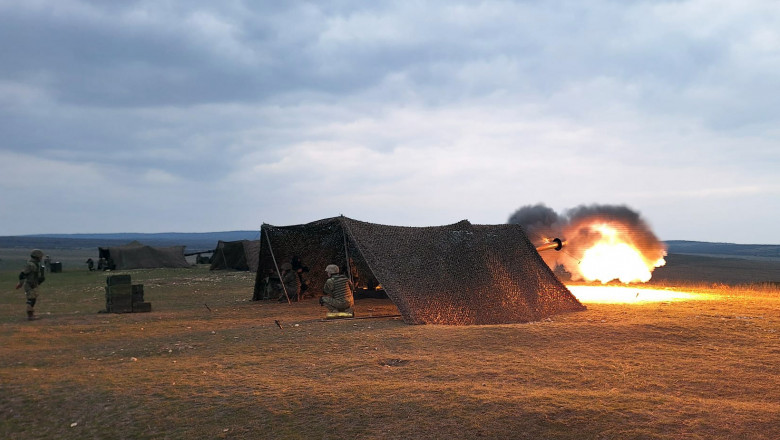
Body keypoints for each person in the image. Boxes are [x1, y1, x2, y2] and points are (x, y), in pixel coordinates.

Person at [15, 249, 46, 321]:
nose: (41, 258)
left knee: (33, 298)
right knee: (31, 299)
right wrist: (20, 283)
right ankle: (30, 315)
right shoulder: (30, 265)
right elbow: (22, 274)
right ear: (37, 256)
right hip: (29, 284)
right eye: (40, 257)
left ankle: (31, 313)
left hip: (33, 284)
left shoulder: (35, 264)